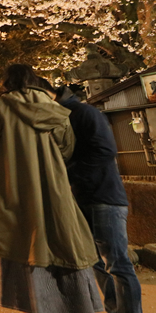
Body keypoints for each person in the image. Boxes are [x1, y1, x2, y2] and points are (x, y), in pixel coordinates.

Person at [0, 64, 102, 313]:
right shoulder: (55, 109)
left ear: (7, 82)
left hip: (13, 184)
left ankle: (29, 301)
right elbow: (66, 149)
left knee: (19, 237)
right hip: (53, 183)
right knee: (61, 232)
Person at [53, 83, 142, 313]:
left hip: (105, 197)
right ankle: (114, 308)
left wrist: (68, 174)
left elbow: (105, 150)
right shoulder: (64, 116)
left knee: (118, 264)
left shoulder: (84, 112)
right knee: (97, 263)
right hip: (85, 197)